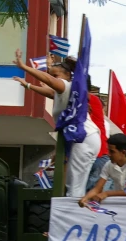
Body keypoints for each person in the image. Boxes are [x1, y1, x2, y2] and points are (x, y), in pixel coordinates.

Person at [12, 50, 101, 198]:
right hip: (84, 139)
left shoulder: (67, 86)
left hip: (83, 138)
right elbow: (48, 92)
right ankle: (74, 214)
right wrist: (28, 85)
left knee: (74, 187)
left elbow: (49, 81)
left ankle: (72, 217)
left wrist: (24, 67)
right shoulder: (64, 91)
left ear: (68, 76)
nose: (53, 79)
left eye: (56, 76)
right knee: (73, 186)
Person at [80, 134, 126, 206]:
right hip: (121, 204)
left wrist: (107, 193)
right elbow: (97, 188)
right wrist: (85, 199)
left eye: (112, 151)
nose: (108, 154)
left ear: (123, 152)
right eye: (108, 151)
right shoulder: (108, 165)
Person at [86, 91, 111, 193]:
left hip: (98, 156)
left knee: (90, 190)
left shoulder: (93, 101)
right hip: (95, 156)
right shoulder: (102, 122)